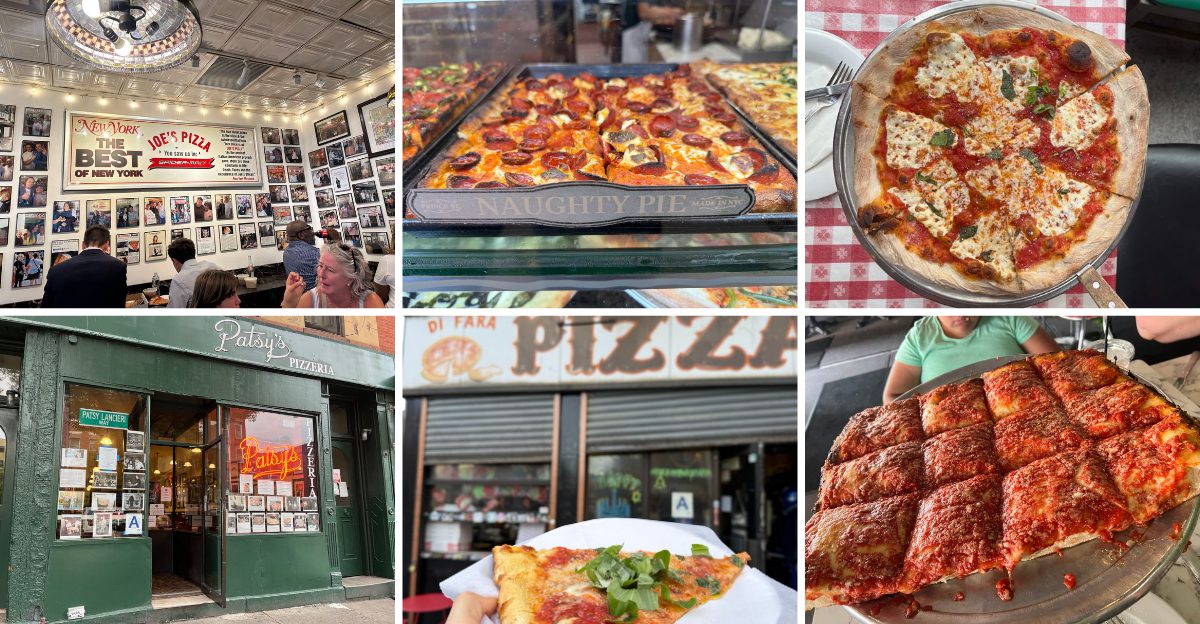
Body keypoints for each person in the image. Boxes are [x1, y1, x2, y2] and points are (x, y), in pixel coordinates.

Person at [883, 316, 1060, 403]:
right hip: (943, 430)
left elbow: (1057, 367)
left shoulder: (1009, 317)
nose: (960, 314)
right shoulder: (919, 335)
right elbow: (893, 397)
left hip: (1027, 404)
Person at [40, 225, 128, 308]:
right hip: (102, 322)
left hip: (66, 323)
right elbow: (119, 305)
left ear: (83, 245)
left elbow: (46, 308)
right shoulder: (118, 267)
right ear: (106, 244)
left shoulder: (56, 270)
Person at [281, 242, 384, 308]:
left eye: (330, 270)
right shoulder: (311, 300)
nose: (321, 274)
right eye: (320, 266)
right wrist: (289, 303)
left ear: (350, 278)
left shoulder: (370, 302)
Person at [166, 238, 218, 308]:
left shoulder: (179, 280)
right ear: (194, 252)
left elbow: (175, 313)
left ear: (174, 260)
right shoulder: (213, 266)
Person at [282, 220, 320, 291]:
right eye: (309, 229)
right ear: (301, 235)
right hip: (314, 297)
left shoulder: (286, 252)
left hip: (297, 297)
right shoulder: (315, 252)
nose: (313, 233)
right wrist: (335, 239)